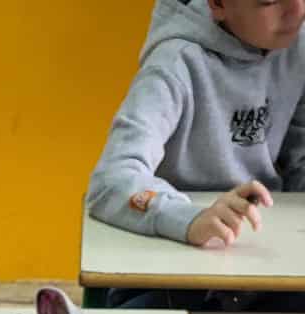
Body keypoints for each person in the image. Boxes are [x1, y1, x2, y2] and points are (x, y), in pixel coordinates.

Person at [87, 0, 305, 254]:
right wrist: (187, 217)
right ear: (218, 4)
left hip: (262, 239)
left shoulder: (297, 47)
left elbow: (299, 161)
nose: (297, 10)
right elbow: (110, 182)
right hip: (176, 248)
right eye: (270, 1)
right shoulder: (173, 65)